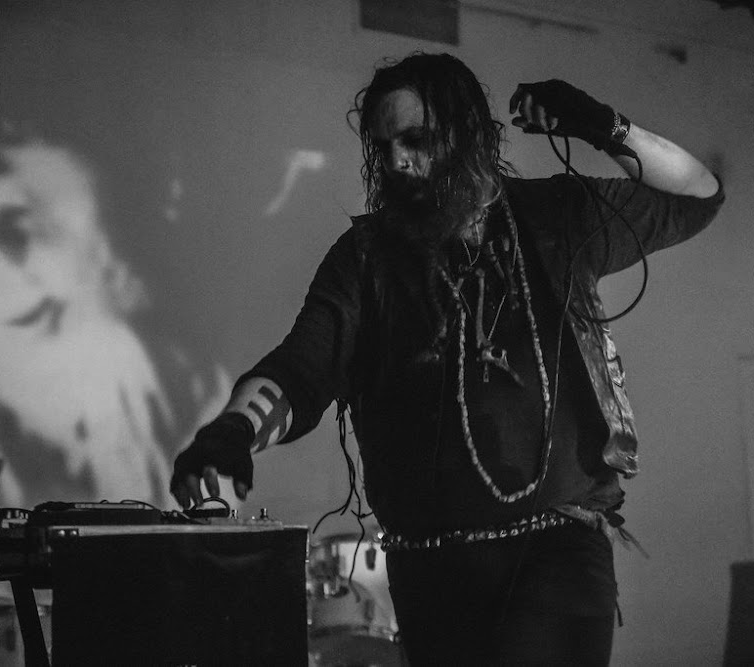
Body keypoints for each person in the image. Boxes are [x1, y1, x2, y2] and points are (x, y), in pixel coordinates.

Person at [171, 52, 723, 665]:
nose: (396, 162)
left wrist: (603, 126)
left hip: (557, 547)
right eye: (383, 148)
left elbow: (698, 194)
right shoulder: (366, 256)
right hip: (428, 568)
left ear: (467, 134)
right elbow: (303, 367)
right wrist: (233, 431)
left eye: (416, 140)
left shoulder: (557, 215)